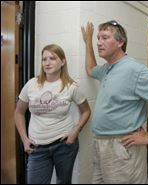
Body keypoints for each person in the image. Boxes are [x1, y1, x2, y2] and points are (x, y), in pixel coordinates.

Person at [81, 21, 148, 184]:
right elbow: (90, 69)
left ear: (120, 42)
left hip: (121, 146)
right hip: (101, 144)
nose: (99, 42)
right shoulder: (107, 69)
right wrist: (88, 41)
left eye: (105, 37)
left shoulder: (134, 69)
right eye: (98, 38)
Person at [14, 44, 91, 184]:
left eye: (52, 58)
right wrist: (24, 139)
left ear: (63, 61)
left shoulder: (71, 87)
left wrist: (76, 130)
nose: (47, 63)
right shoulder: (31, 84)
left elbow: (86, 111)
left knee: (63, 181)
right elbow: (19, 112)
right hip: (37, 148)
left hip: (64, 145)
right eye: (44, 59)